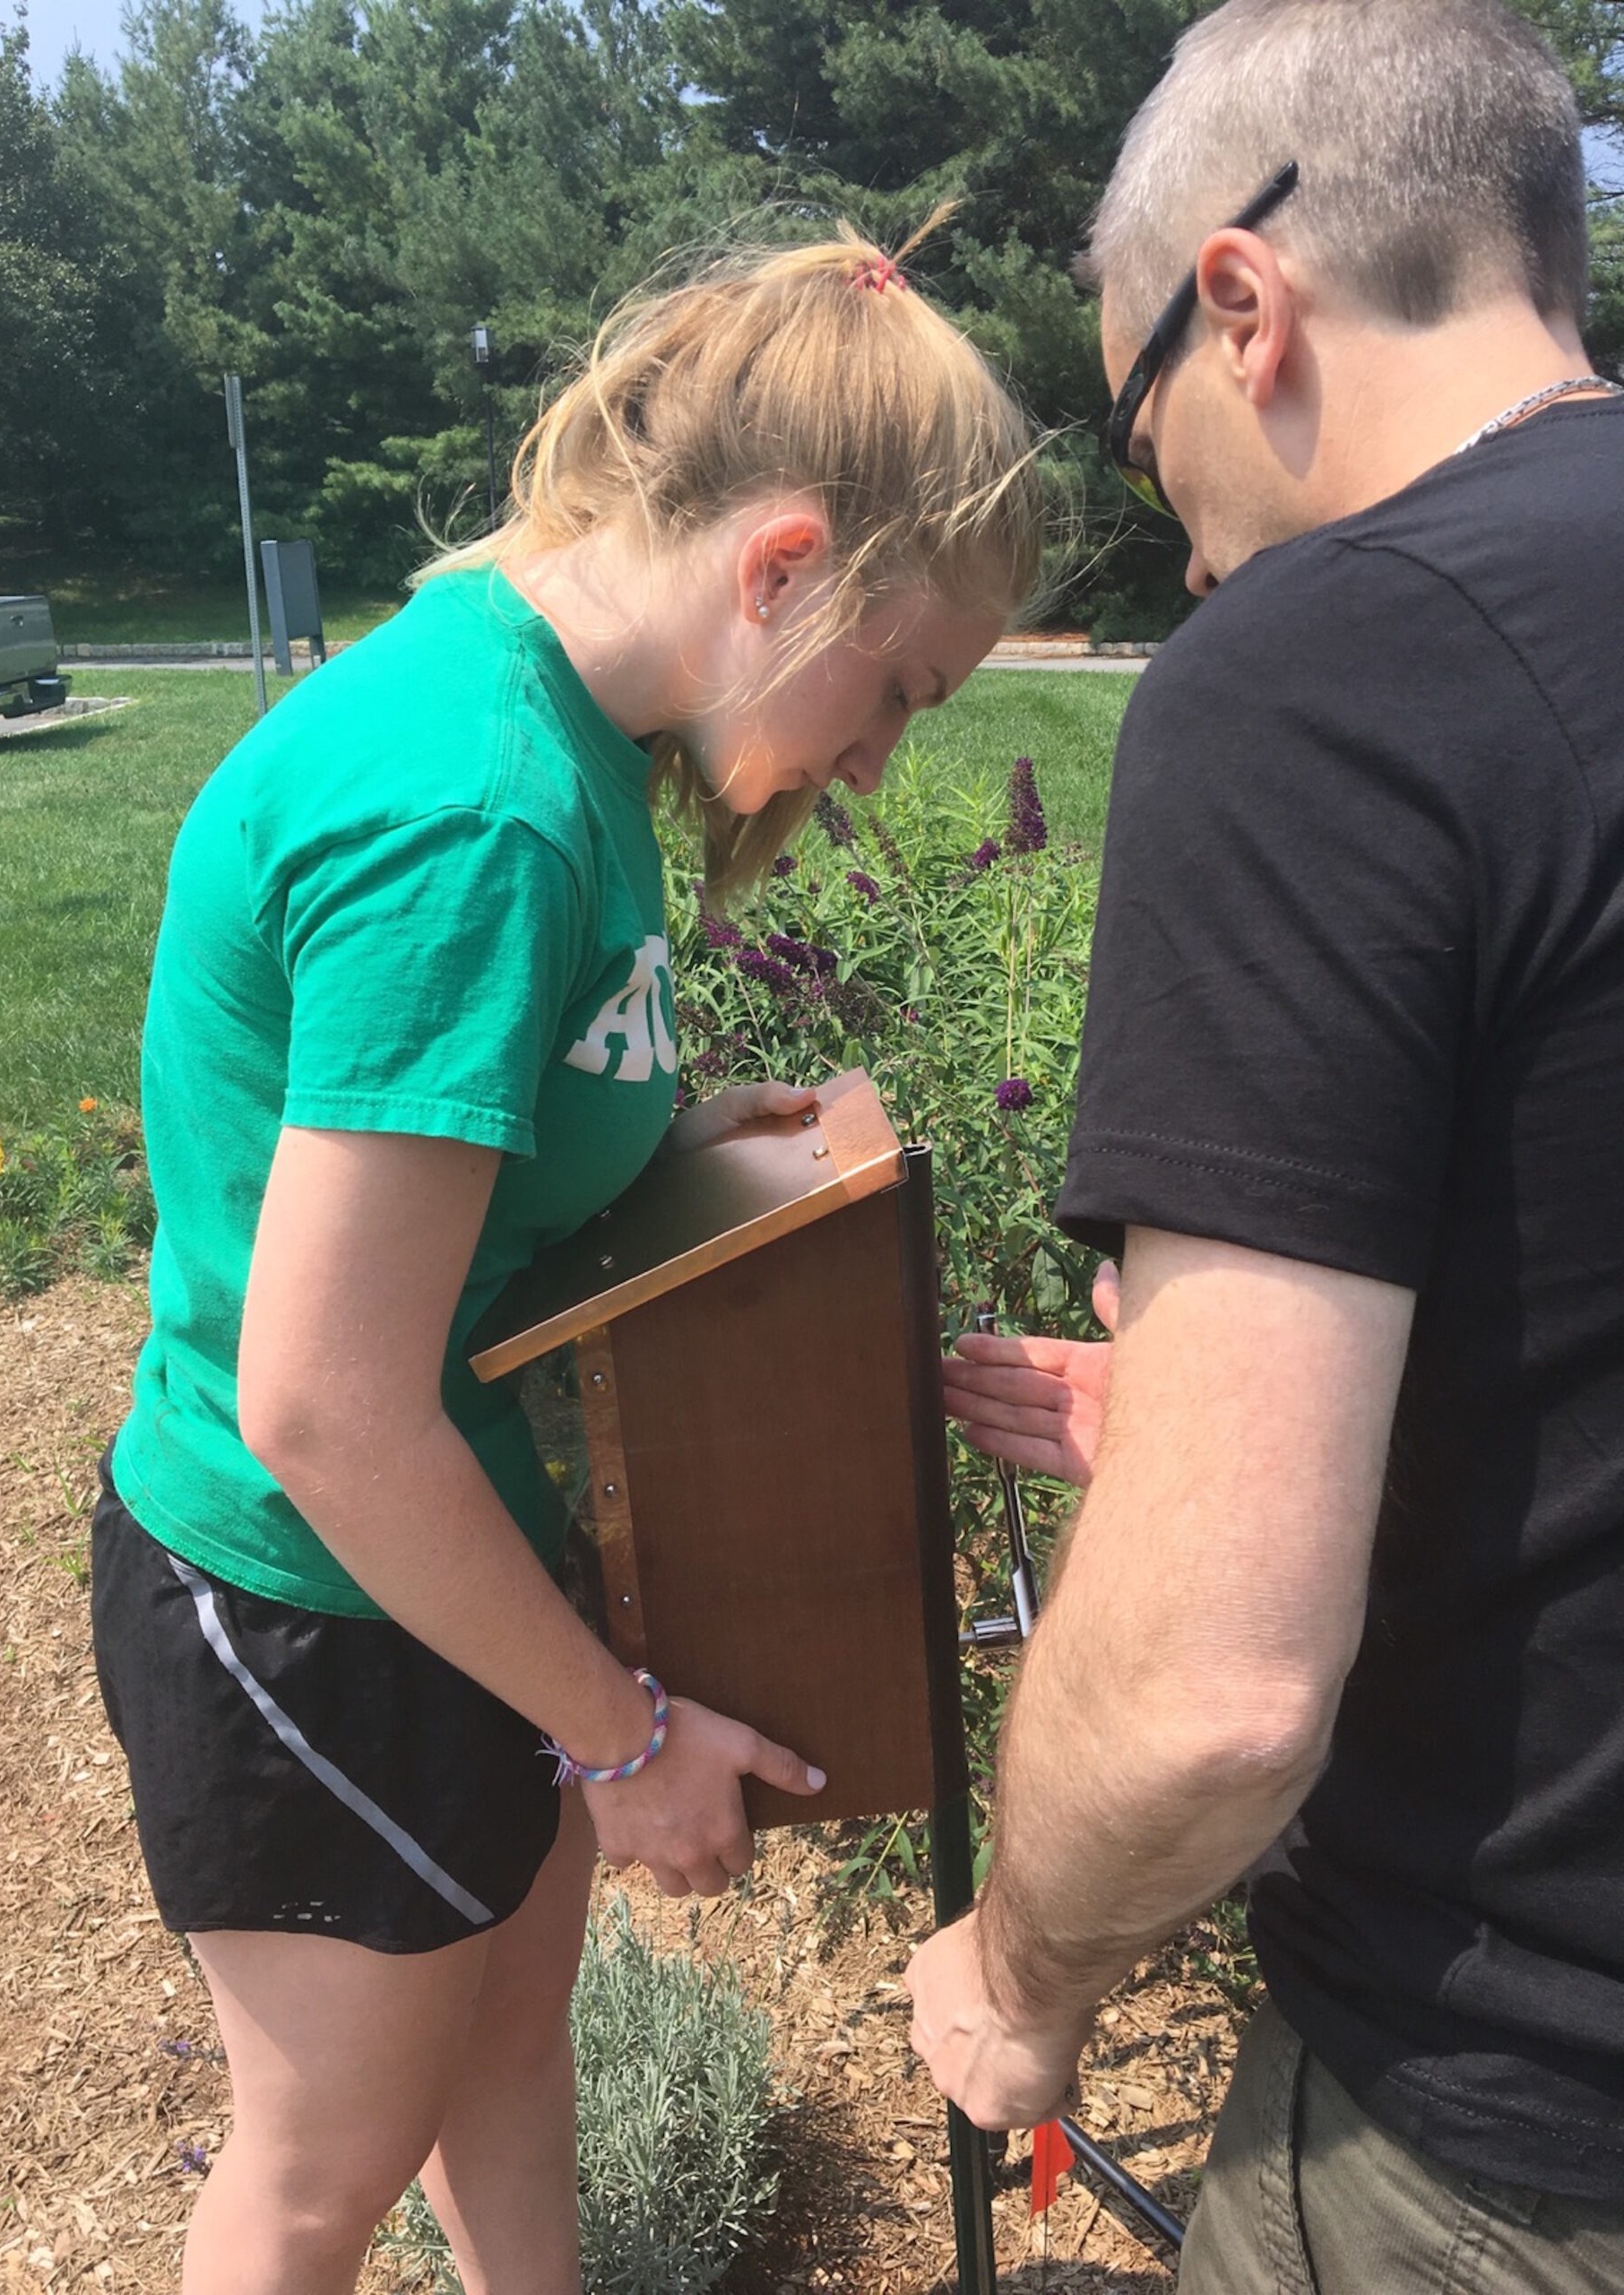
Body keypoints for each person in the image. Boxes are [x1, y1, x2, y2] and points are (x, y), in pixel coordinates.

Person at [91, 230, 1041, 2295]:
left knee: (509, 2057)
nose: (883, 759)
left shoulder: (570, 735)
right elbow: (323, 1401)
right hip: (318, 1591)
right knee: (318, 2168)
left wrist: (675, 1135)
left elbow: (474, 1126)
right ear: (782, 563)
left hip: (460, 1572)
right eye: (902, 689)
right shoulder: (485, 808)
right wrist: (619, 1730)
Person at [908, 3, 1624, 2288]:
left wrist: (1017, 1979)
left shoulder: (1332, 665)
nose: (1188, 551)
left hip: (1507, 2125)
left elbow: (1215, 1685)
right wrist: (1278, 1425)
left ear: (1244, 305)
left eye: (1144, 444)